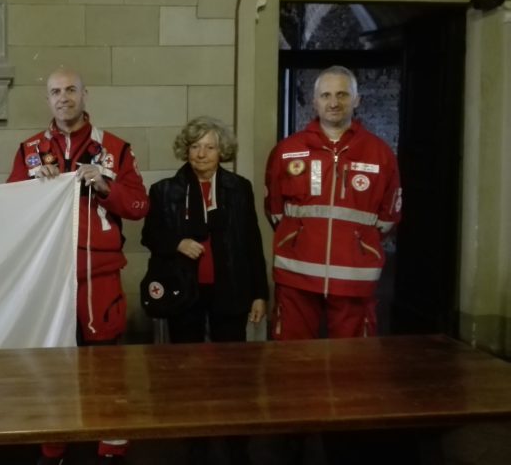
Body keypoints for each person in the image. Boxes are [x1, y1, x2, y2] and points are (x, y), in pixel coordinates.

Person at [8, 68, 149, 465]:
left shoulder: (115, 149)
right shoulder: (30, 149)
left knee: (106, 370)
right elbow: (10, 209)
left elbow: (140, 207)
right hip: (50, 280)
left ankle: (111, 449)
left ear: (86, 95)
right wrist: (33, 185)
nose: (64, 97)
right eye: (56, 91)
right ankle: (54, 450)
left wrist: (106, 187)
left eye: (71, 90)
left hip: (99, 279)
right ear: (47, 99)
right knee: (53, 368)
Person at [141, 116, 267, 465]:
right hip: (186, 293)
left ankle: (236, 443)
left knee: (233, 373)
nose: (202, 154)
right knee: (189, 371)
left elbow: (252, 241)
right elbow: (149, 236)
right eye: (195, 146)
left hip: (231, 290)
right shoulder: (165, 190)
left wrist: (260, 293)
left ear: (221, 151)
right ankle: (194, 441)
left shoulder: (239, 188)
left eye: (210, 147)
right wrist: (178, 242)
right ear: (186, 149)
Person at [264, 65, 401, 340]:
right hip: (296, 272)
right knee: (292, 359)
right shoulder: (288, 150)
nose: (334, 102)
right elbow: (275, 210)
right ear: (315, 101)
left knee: (352, 364)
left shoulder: (379, 153)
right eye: (326, 95)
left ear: (357, 100)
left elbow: (388, 217)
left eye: (342, 95)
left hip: (355, 273)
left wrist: (359, 242)